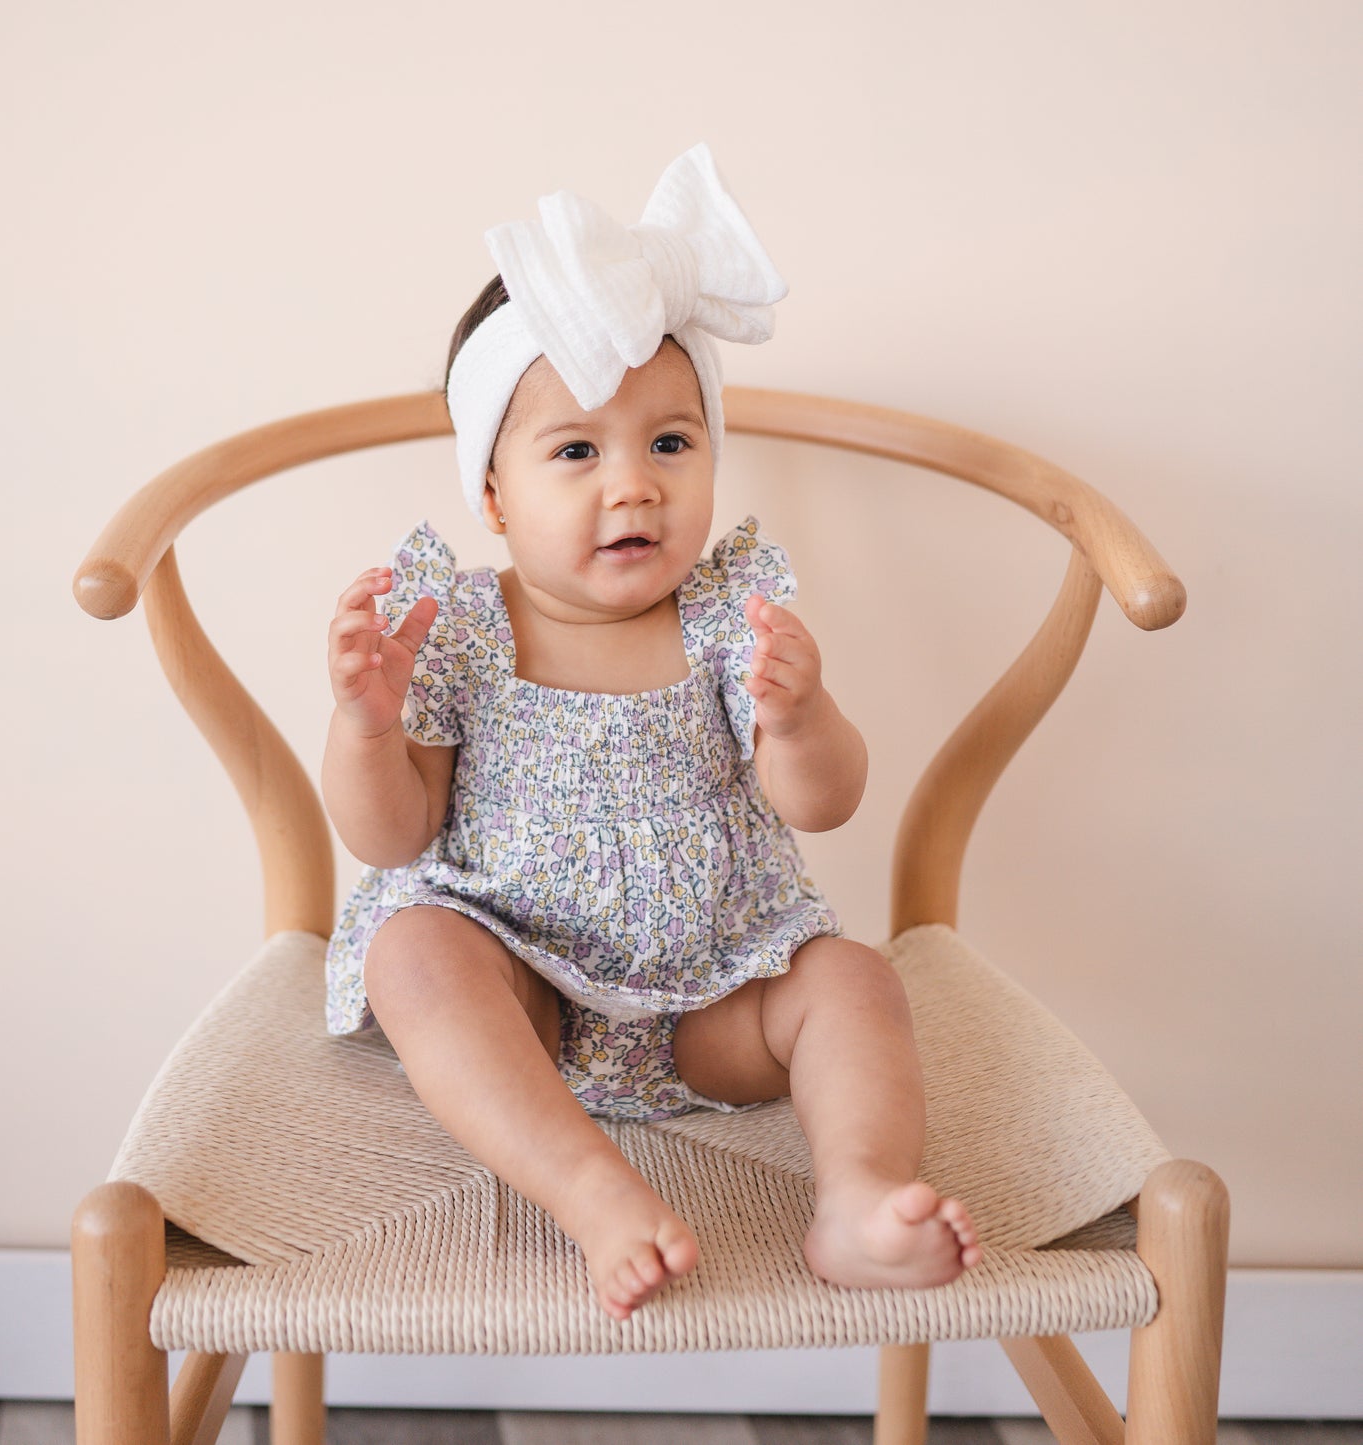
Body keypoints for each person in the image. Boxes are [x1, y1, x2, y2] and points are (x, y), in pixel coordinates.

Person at [322, 144, 980, 1322]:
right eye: (576, 450)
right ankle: (586, 1187)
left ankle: (858, 1196)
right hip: (516, 974)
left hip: (707, 1002)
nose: (632, 486)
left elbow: (819, 802)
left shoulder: (734, 612)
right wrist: (368, 730)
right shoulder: (458, 626)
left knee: (851, 978)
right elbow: (391, 835)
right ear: (492, 494)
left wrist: (800, 714)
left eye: (669, 443)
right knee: (413, 947)